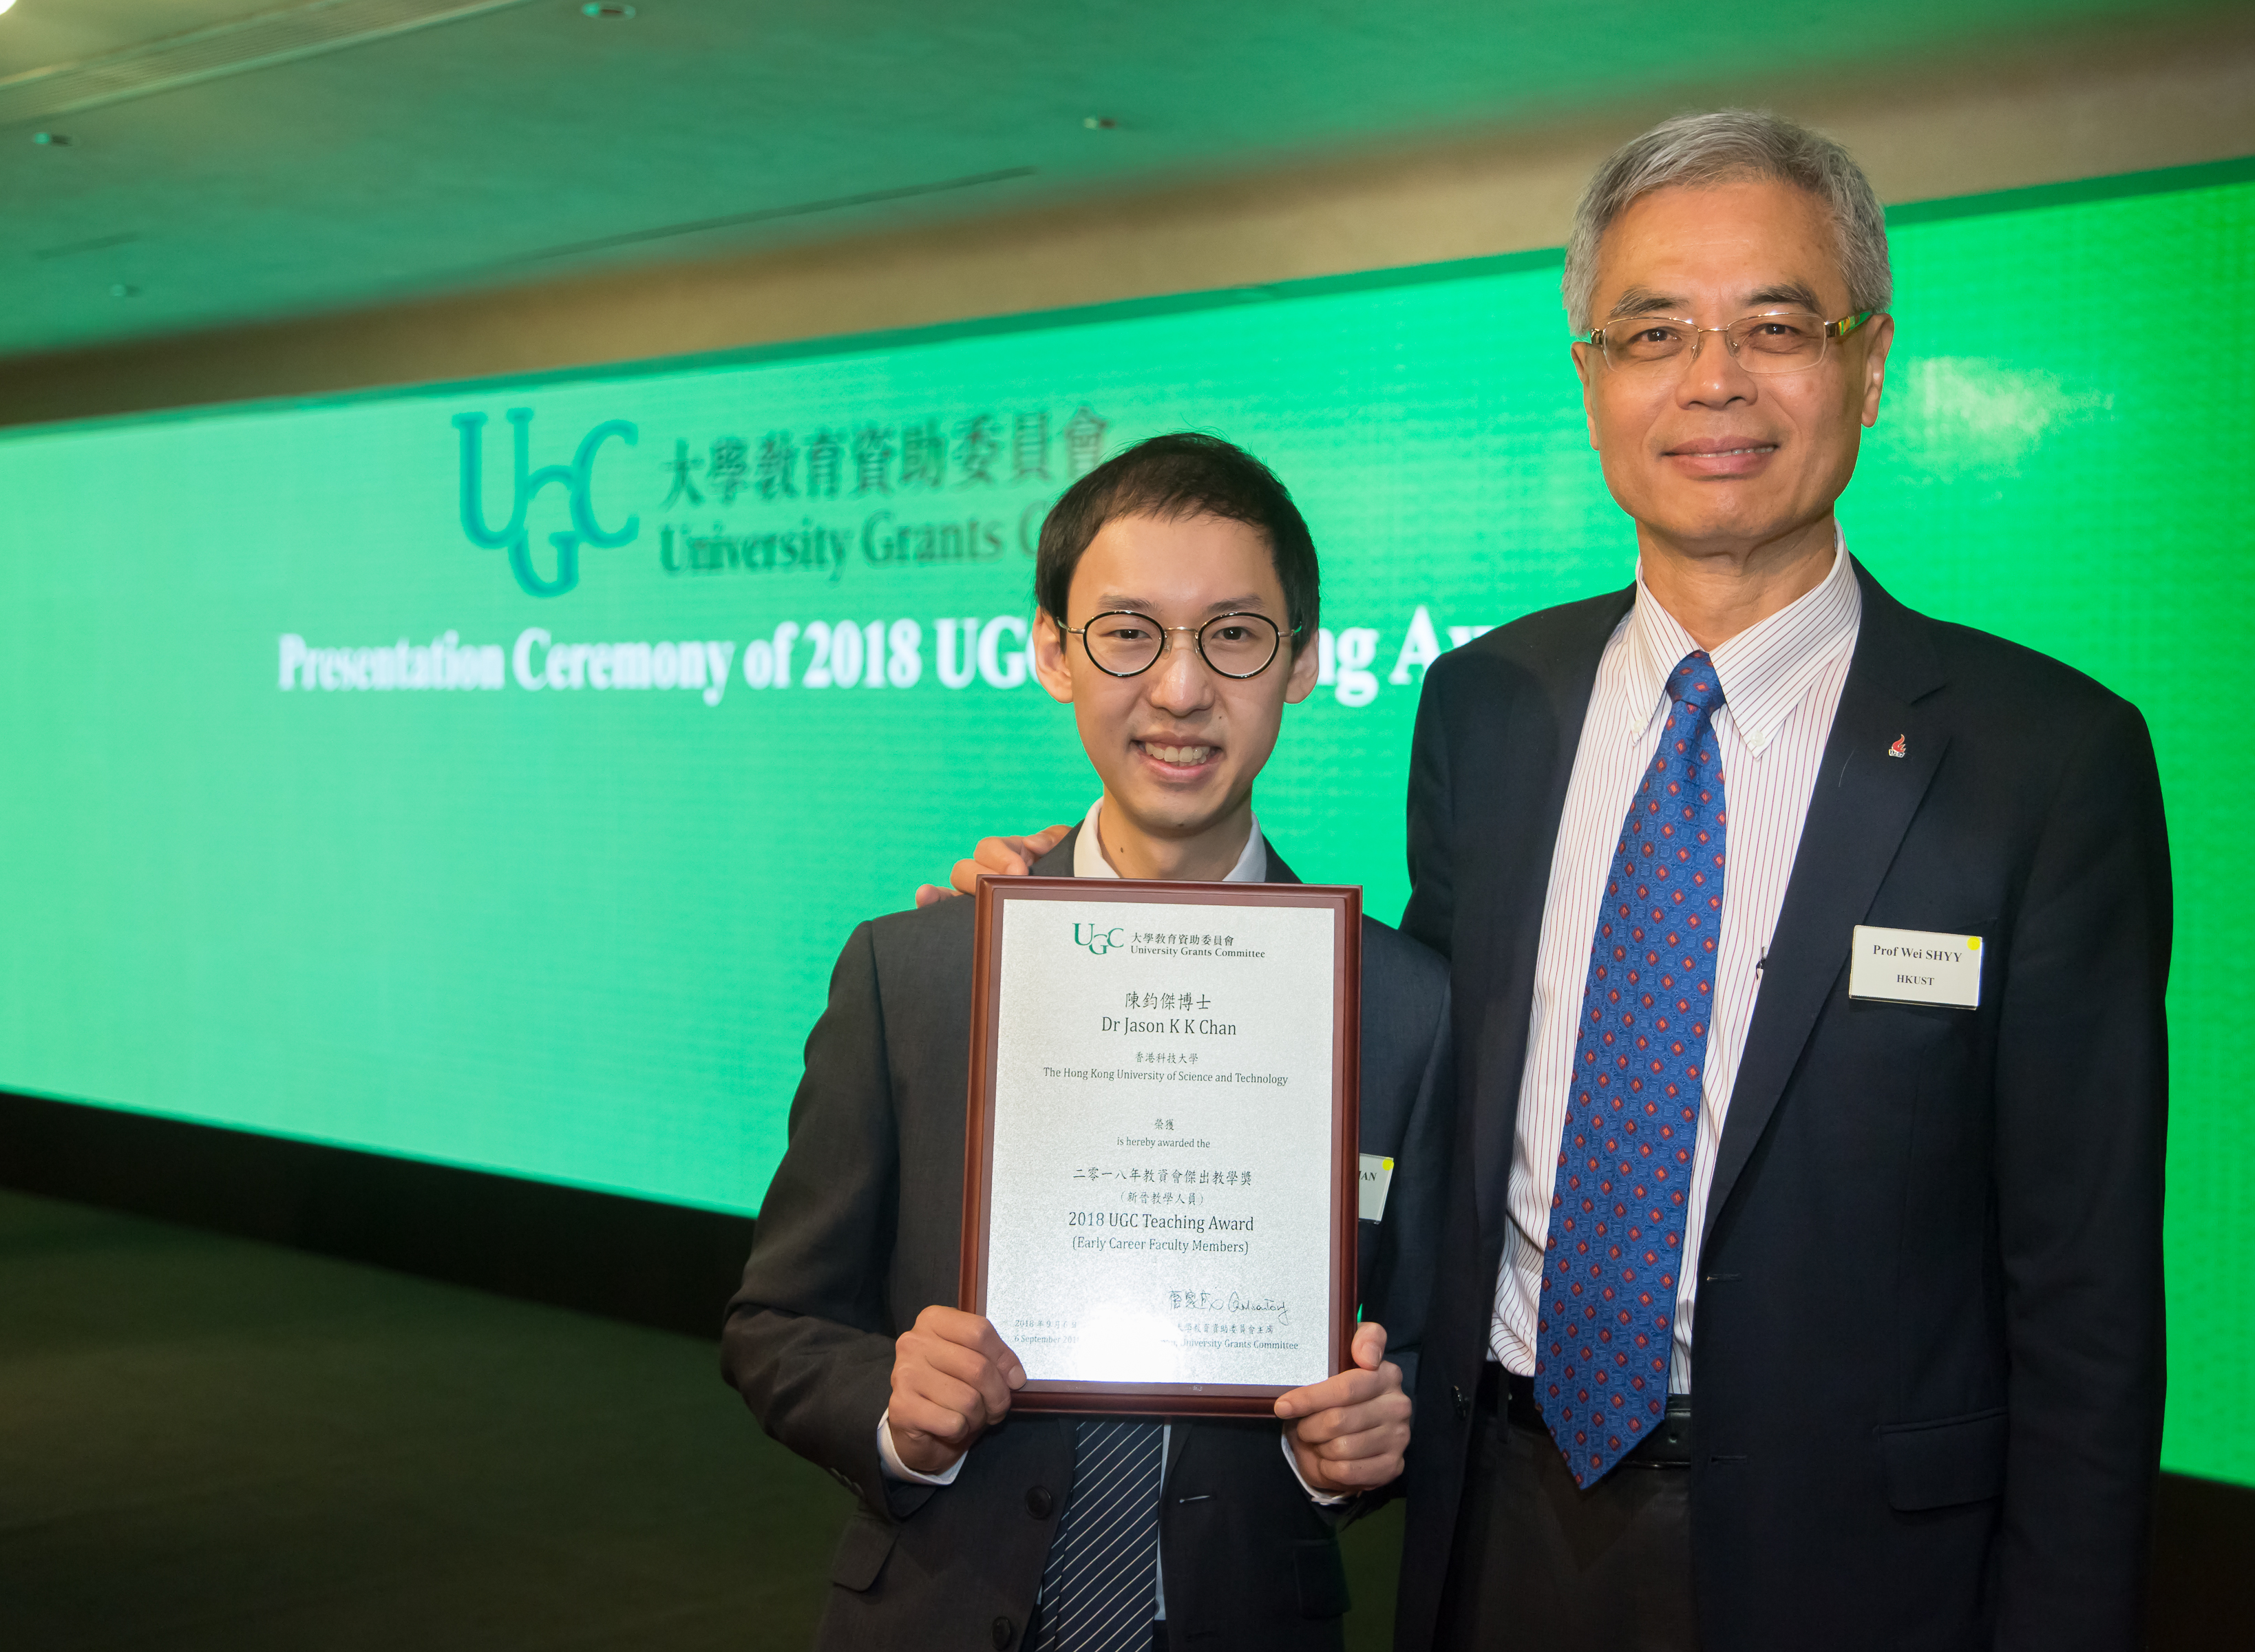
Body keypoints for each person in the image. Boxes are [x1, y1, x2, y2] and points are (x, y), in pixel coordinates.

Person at [934, 111, 2172, 1652]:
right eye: (1653, 330)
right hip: (1498, 1516)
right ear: (1591, 378)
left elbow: (2086, 1293)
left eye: (1775, 325)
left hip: (1862, 1565)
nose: (1712, 378)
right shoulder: (1489, 706)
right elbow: (1411, 1061)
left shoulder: (2046, 761)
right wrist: (1075, 933)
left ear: (1869, 360)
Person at [726, 433, 1454, 1652]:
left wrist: (1371, 1441)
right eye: (1127, 634)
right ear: (1052, 654)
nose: (1179, 690)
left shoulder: (1401, 1005)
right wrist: (895, 1413)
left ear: (1306, 665)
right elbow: (776, 1325)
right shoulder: (915, 974)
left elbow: (1433, 1341)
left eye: (1235, 635)